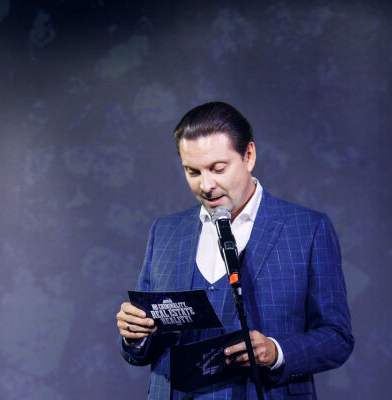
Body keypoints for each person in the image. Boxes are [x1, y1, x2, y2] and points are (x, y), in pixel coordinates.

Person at [118, 102, 354, 399]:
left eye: (218, 169)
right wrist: (135, 335)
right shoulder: (165, 232)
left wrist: (276, 351)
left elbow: (337, 338)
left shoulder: (308, 229)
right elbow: (141, 349)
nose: (206, 185)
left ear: (249, 155)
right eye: (192, 172)